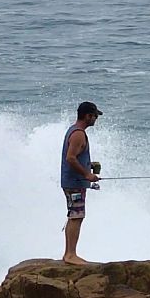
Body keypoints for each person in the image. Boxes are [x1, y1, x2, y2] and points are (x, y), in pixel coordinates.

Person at [60, 101, 102, 265]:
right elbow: (70, 158)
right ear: (88, 116)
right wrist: (87, 174)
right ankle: (71, 255)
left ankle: (68, 254)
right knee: (76, 216)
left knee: (75, 215)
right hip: (75, 182)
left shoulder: (74, 130)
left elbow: (74, 156)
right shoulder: (78, 134)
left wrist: (88, 165)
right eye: (95, 116)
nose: (96, 119)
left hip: (73, 181)